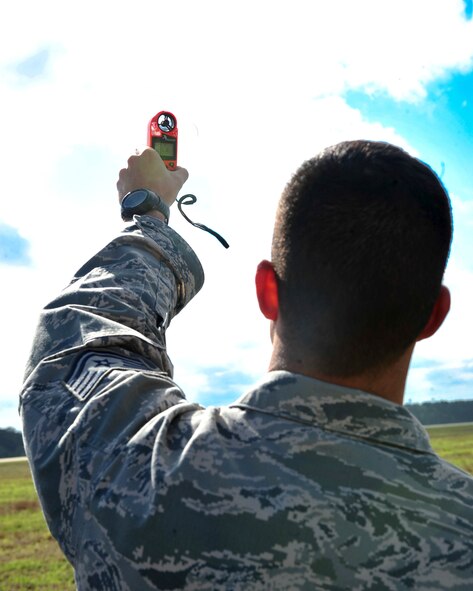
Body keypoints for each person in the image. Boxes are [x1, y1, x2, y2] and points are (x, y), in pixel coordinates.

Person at [20, 141, 473, 591]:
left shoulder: (140, 473)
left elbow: (74, 342)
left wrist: (149, 215)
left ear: (265, 291)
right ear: (433, 316)